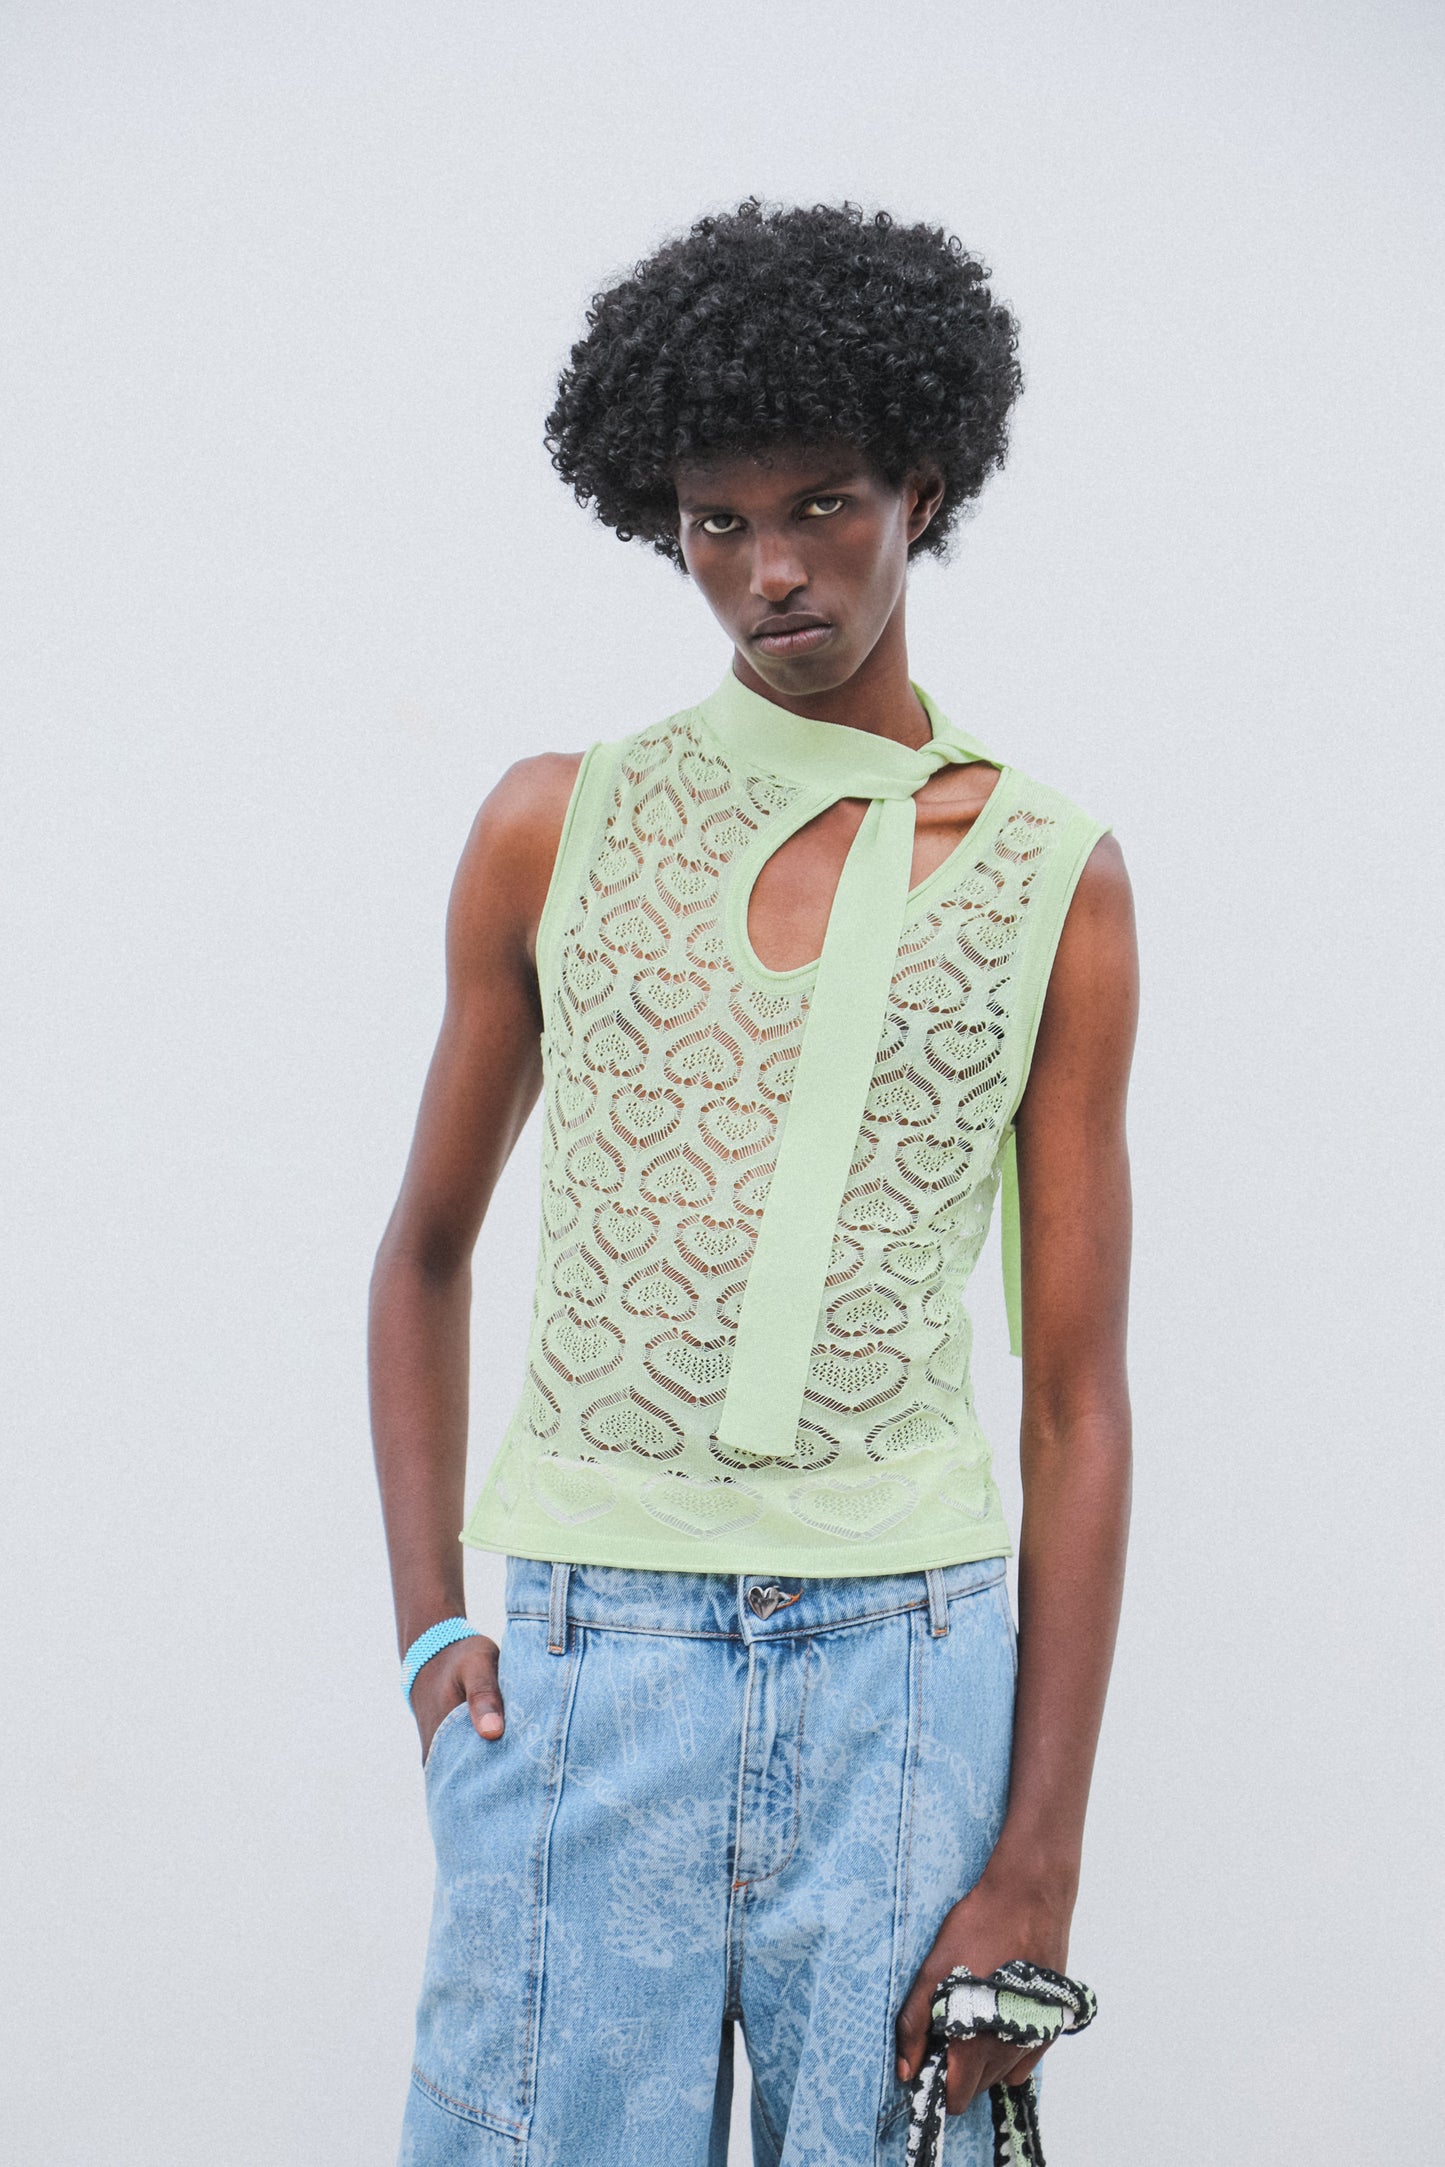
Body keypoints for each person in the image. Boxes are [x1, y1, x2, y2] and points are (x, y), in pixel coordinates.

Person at [369, 198, 1137, 2167]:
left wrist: (1038, 1855)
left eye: (823, 507)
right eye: (717, 523)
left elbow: (1075, 1397)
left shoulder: (1052, 877)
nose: (770, 572)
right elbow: (424, 1253)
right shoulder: (557, 827)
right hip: (590, 1664)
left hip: (907, 1672)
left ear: (921, 487)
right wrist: (432, 1632)